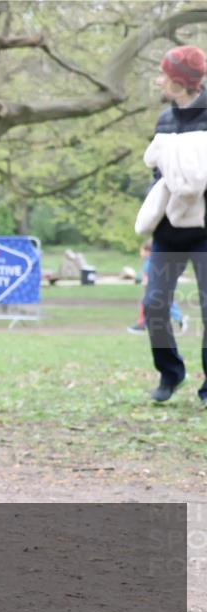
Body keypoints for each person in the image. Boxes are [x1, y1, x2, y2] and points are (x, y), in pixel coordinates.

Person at [140, 45, 207, 406]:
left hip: (204, 233)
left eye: (164, 75)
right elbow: (156, 174)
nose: (159, 80)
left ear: (180, 81)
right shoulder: (164, 120)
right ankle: (170, 372)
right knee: (154, 305)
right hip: (168, 231)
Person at [128, 239, 187, 335]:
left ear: (147, 251)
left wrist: (139, 279)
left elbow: (147, 278)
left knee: (162, 305)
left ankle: (143, 325)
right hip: (158, 289)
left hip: (155, 290)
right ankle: (143, 325)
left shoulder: (149, 262)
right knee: (165, 305)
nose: (140, 253)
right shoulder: (155, 261)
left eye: (141, 251)